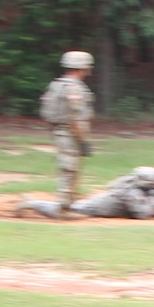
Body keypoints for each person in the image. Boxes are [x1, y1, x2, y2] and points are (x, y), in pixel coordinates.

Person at [39, 51, 96, 212]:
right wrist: (83, 140)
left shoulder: (57, 84)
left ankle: (67, 205)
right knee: (69, 169)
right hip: (71, 133)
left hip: (61, 131)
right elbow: (75, 118)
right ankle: (63, 208)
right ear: (82, 67)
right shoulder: (74, 88)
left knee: (69, 168)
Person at [16, 166, 154, 219]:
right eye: (152, 183)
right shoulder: (130, 191)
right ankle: (31, 203)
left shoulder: (137, 187)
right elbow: (142, 213)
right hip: (94, 208)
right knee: (65, 212)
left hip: (100, 203)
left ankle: (32, 203)